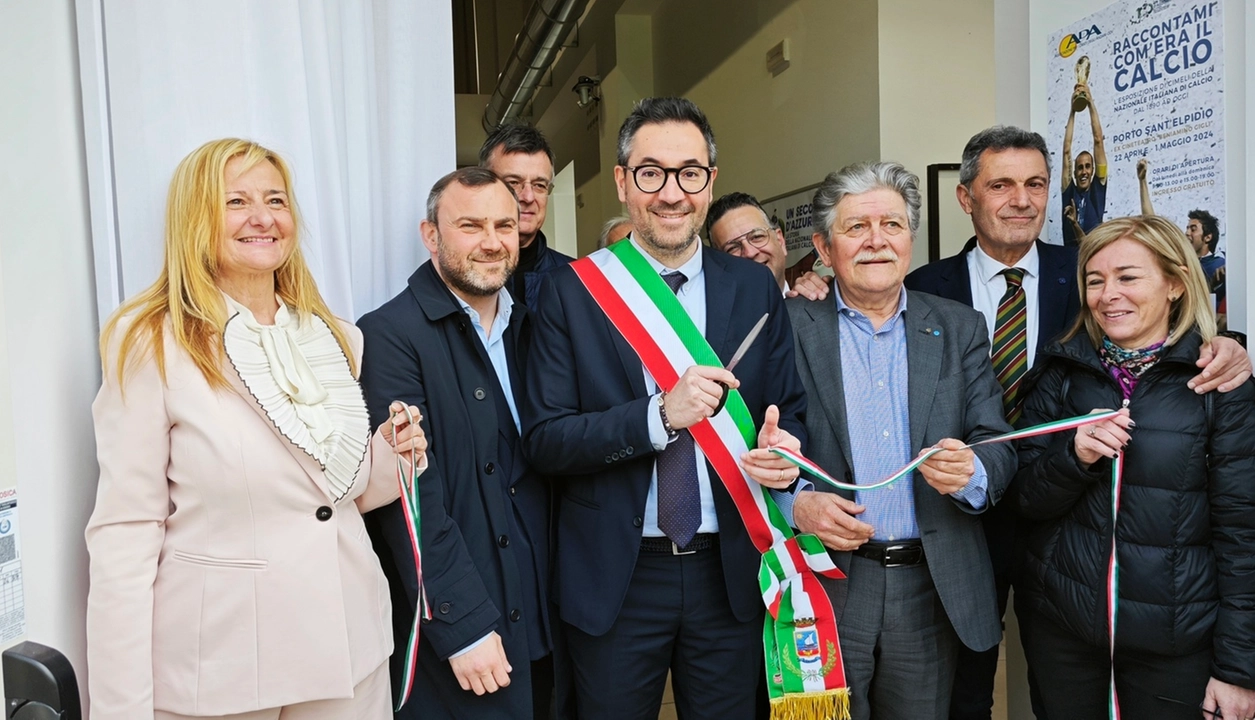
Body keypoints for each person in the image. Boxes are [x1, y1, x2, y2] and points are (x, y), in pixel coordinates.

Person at [905, 125, 1253, 720]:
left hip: (1071, 532)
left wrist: (1230, 348)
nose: (1022, 199)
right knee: (964, 687)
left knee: (1063, 670)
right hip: (964, 517)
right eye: (1002, 185)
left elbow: (1164, 338)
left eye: (1036, 183)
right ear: (966, 198)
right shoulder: (921, 288)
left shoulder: (1090, 270)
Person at [85, 138, 425, 718]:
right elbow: (125, 532)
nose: (263, 218)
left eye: (276, 199)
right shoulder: (148, 342)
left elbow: (334, 499)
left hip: (350, 655)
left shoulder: (339, 338)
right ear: (196, 219)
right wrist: (122, 708)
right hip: (223, 673)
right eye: (237, 201)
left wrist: (390, 457)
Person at [523, 97, 807, 720]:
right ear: (623, 182)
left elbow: (791, 411)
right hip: (617, 579)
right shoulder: (572, 291)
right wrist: (659, 416)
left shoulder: (753, 286)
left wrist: (789, 457)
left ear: (710, 184)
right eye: (651, 172)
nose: (672, 193)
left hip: (730, 572)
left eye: (690, 173)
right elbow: (545, 440)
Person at [1014, 214, 1255, 720]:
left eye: (1128, 277)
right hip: (1065, 641)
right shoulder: (1060, 374)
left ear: (1176, 283)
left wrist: (1242, 670)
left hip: (1175, 650)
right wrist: (1075, 455)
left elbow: (1246, 535)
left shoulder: (1218, 385)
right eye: (1095, 280)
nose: (1108, 294)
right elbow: (1024, 500)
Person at [780, 160, 1016, 720]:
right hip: (825, 585)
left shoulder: (958, 326)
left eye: (891, 224)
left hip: (929, 588)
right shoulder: (788, 325)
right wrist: (794, 504)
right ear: (822, 245)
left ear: (911, 237)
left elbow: (998, 441)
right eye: (856, 227)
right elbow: (753, 448)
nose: (876, 241)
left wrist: (974, 473)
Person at [359, 167, 557, 719]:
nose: (492, 242)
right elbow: (408, 496)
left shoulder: (534, 324)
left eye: (503, 225)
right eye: (470, 225)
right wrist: (462, 624)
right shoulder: (389, 334)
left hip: (542, 614)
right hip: (465, 626)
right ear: (431, 235)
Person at [479, 122, 574, 312]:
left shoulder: (575, 277)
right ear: (483, 185)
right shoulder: (463, 273)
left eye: (539, 185)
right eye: (514, 182)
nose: (528, 197)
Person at [707, 191, 831, 300]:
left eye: (757, 237)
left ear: (780, 241)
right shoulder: (707, 324)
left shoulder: (819, 301)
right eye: (732, 248)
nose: (750, 252)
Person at [1061, 86, 1109, 245]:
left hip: (1094, 259)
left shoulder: (1098, 188)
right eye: (1080, 168)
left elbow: (1098, 140)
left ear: (1093, 169)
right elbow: (1067, 150)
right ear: (1074, 173)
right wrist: (1073, 110)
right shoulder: (1069, 192)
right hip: (1069, 263)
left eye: (1088, 166)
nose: (1084, 171)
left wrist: (1090, 104)